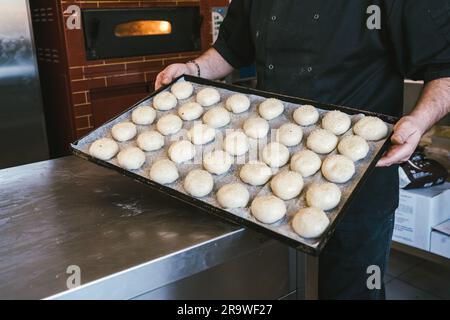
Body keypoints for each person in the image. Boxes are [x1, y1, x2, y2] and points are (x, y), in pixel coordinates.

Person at [155, 0, 450, 299]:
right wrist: (194, 69)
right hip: (270, 169)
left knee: (352, 291)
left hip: (358, 174)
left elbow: (444, 67)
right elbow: (231, 47)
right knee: (278, 286)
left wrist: (419, 120)